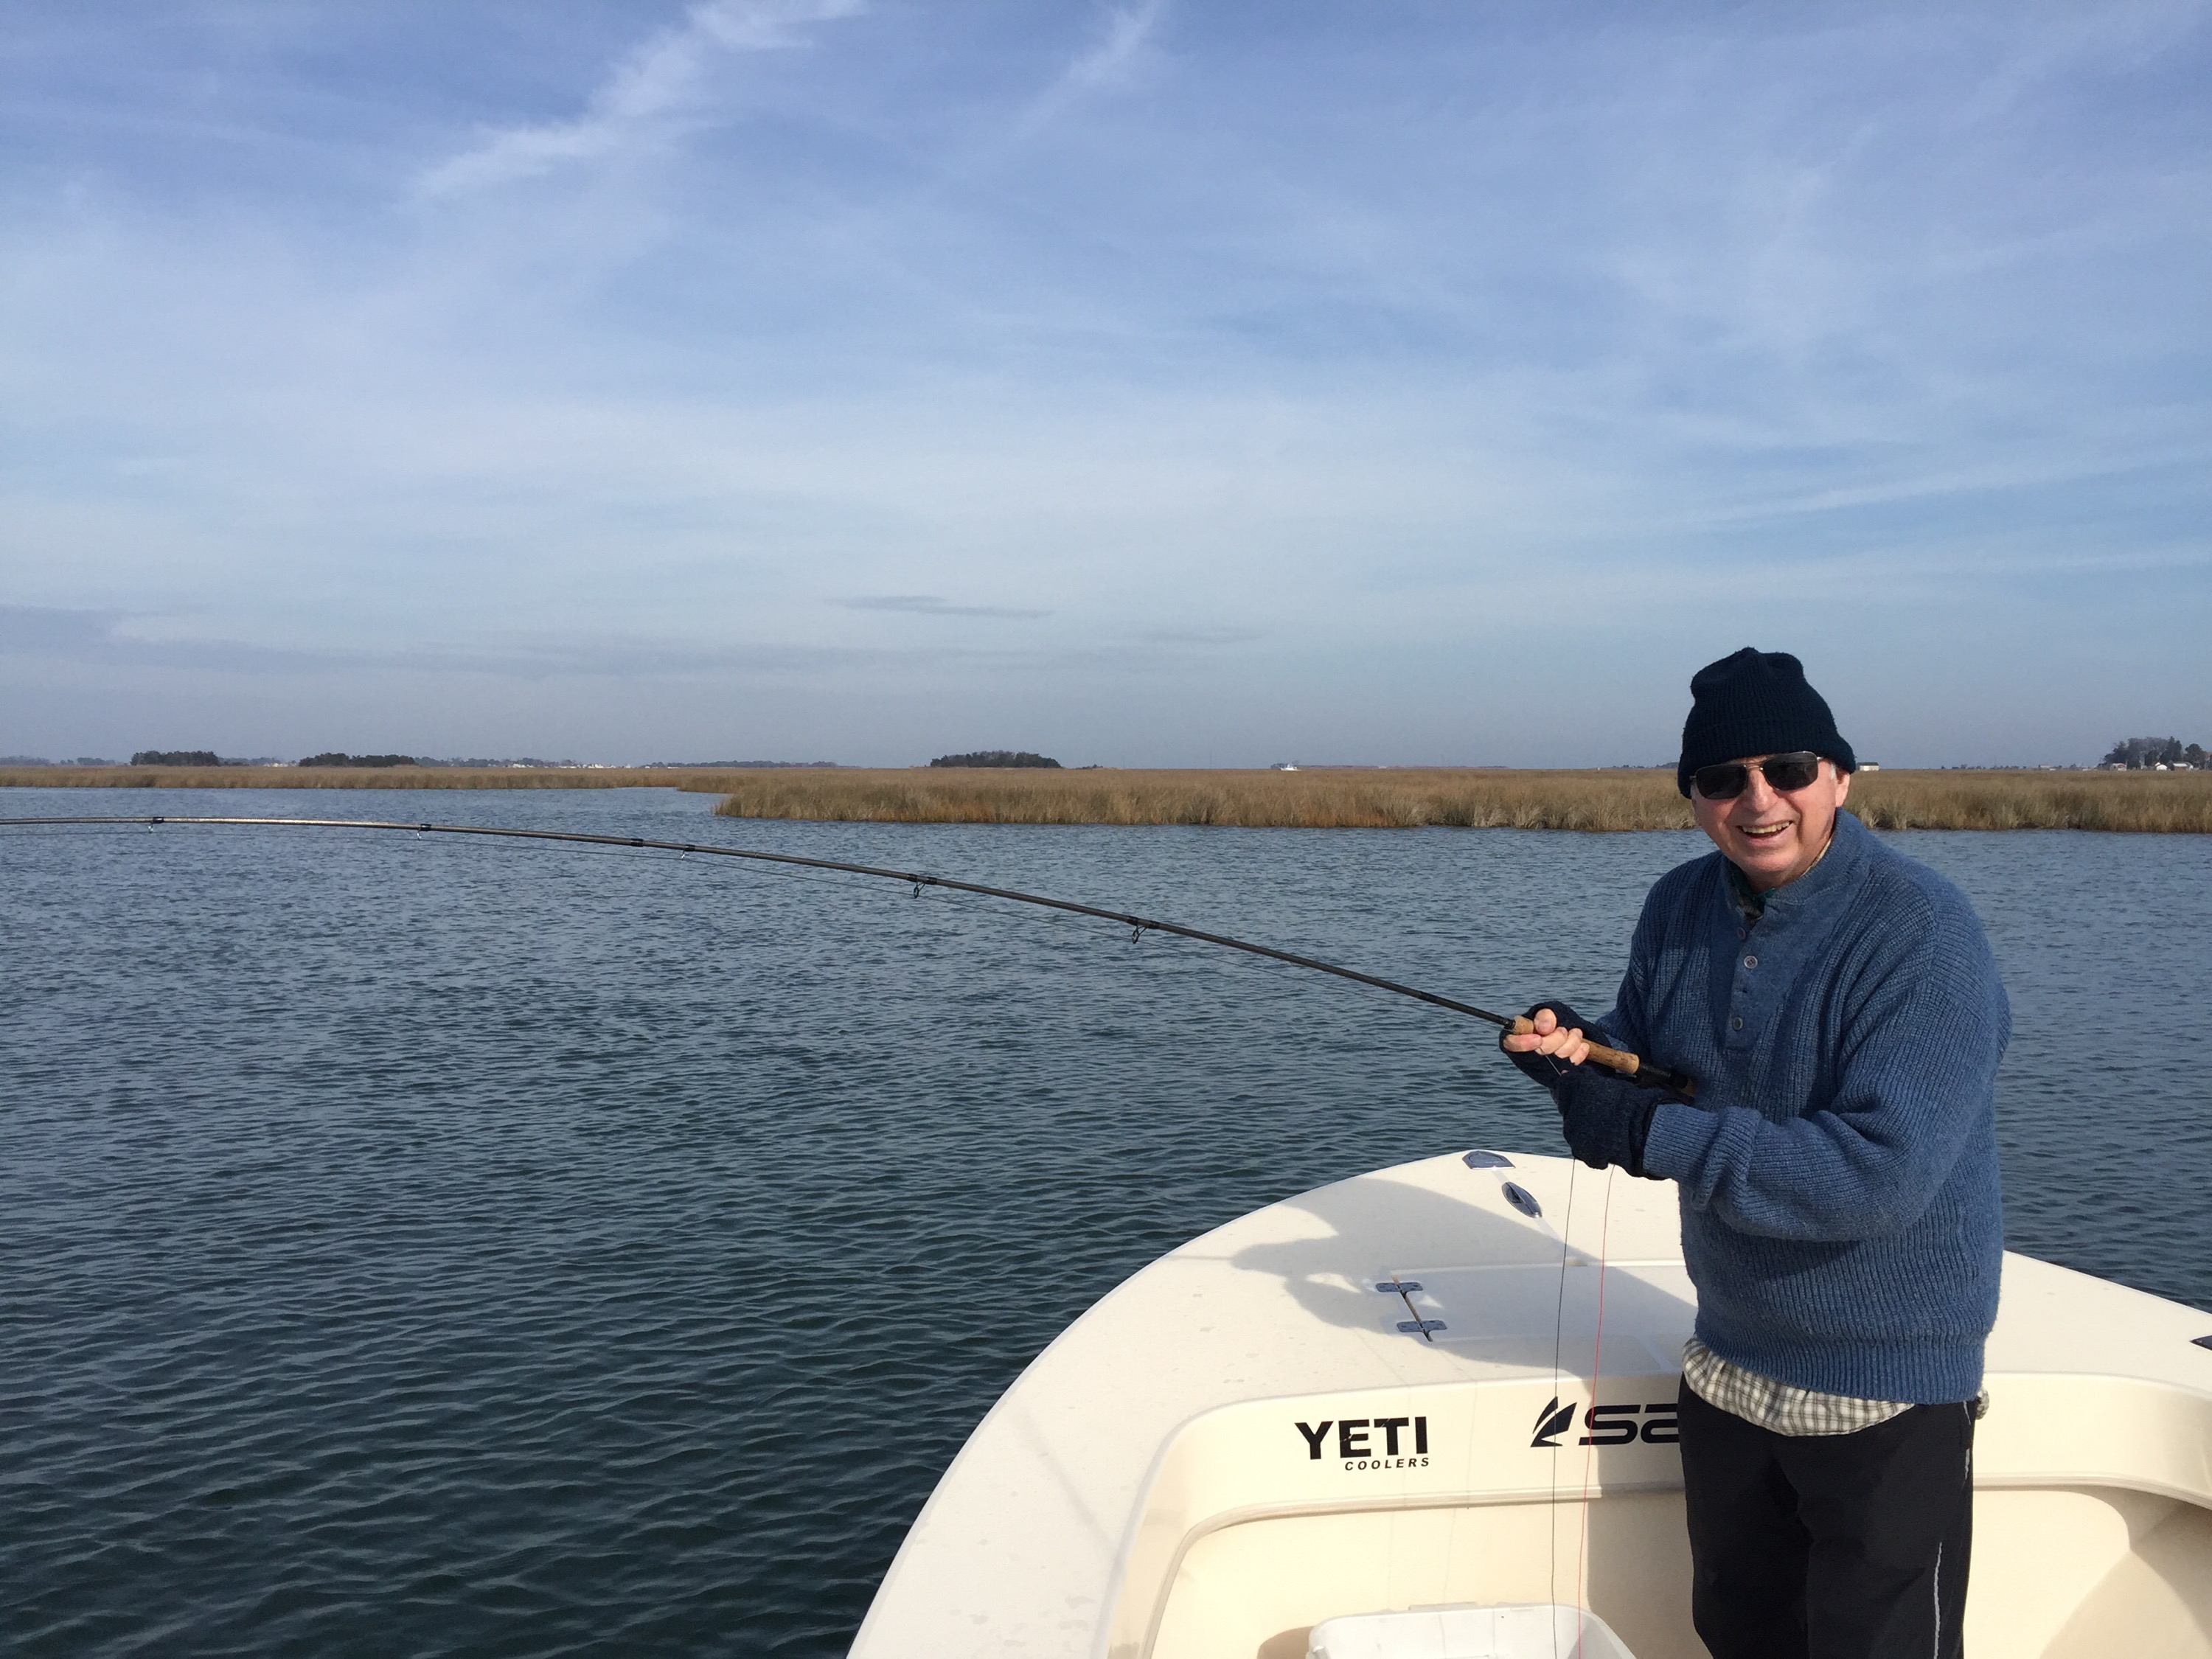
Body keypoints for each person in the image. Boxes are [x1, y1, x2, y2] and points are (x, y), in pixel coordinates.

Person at [1502, 647, 2008, 1659]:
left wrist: (1645, 1132)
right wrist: (1579, 1052)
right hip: (1727, 1362)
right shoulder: (1678, 905)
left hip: (1887, 1387)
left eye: (1788, 768)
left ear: (1840, 778)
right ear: (1693, 798)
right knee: (1739, 1635)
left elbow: (1878, 1175)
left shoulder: (1923, 933)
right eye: (1723, 778)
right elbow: (1660, 1051)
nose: (1759, 798)